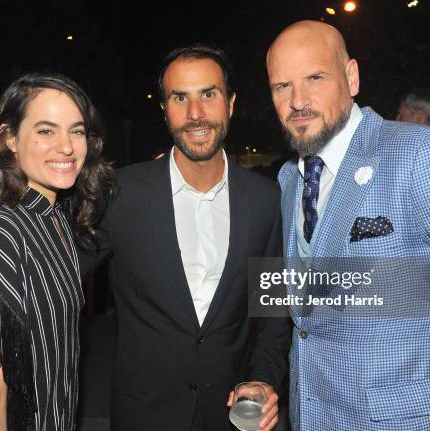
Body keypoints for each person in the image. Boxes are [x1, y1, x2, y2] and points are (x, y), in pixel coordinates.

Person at [266, 20, 430, 430]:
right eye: (281, 86)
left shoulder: (422, 155)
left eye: (315, 77)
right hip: (315, 415)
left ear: (351, 77)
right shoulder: (290, 179)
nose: (297, 100)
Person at [85, 44, 290, 431]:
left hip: (233, 416)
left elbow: (273, 311)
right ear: (165, 110)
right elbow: (58, 274)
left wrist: (263, 377)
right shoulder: (119, 194)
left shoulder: (265, 200)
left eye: (208, 94)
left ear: (230, 104)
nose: (196, 114)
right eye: (181, 98)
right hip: (144, 415)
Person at [0, 73, 114, 430]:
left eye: (77, 130)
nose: (66, 146)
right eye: (46, 131)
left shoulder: (56, 221)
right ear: (9, 138)